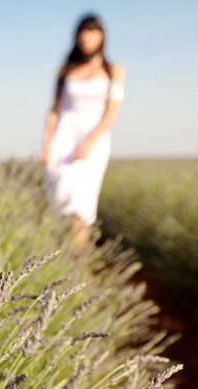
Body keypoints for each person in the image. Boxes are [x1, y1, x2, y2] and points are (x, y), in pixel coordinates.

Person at [39, 13, 125, 253]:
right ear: (76, 36)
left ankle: (78, 257)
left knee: (82, 201)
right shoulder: (65, 70)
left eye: (92, 31)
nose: (87, 37)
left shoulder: (113, 70)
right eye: (83, 31)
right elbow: (54, 110)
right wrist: (47, 143)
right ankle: (57, 256)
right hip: (64, 137)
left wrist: (89, 142)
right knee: (60, 196)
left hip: (95, 139)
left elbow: (111, 112)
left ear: (102, 36)